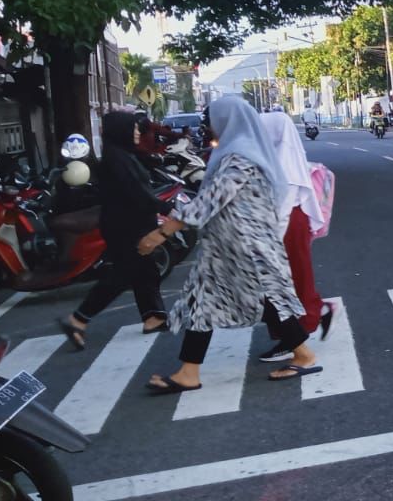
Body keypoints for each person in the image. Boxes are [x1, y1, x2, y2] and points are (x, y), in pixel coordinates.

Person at [137, 98, 320, 392]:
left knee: (265, 300)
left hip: (248, 247)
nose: (208, 127)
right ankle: (189, 372)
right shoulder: (235, 151)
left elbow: (213, 198)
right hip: (226, 246)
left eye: (211, 120)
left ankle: (304, 354)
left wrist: (164, 232)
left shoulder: (242, 156)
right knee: (204, 302)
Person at [56, 113, 172, 349]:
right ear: (120, 131)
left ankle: (154, 317)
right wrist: (166, 207)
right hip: (125, 226)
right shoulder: (117, 160)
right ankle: (78, 319)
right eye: (133, 128)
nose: (138, 132)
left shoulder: (122, 155)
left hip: (131, 223)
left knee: (146, 271)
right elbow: (136, 193)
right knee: (123, 274)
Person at [258, 112, 334, 362]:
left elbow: (284, 202)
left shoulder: (284, 161)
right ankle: (314, 313)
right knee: (293, 277)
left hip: (287, 224)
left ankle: (294, 337)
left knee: (288, 279)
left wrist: (270, 238)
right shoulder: (280, 154)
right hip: (290, 222)